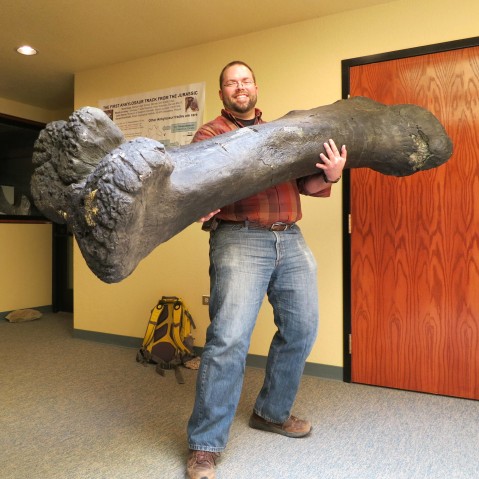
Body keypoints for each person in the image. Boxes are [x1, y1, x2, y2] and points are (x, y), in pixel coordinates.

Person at [186, 60, 347, 479]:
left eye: (245, 81)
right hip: (239, 237)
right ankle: (205, 445)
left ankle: (271, 413)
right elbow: (196, 187)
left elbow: (306, 186)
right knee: (228, 340)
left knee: (302, 329)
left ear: (256, 87)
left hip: (290, 237)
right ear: (222, 93)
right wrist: (201, 203)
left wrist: (331, 174)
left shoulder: (281, 132)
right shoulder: (210, 135)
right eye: (230, 83)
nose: (239, 87)